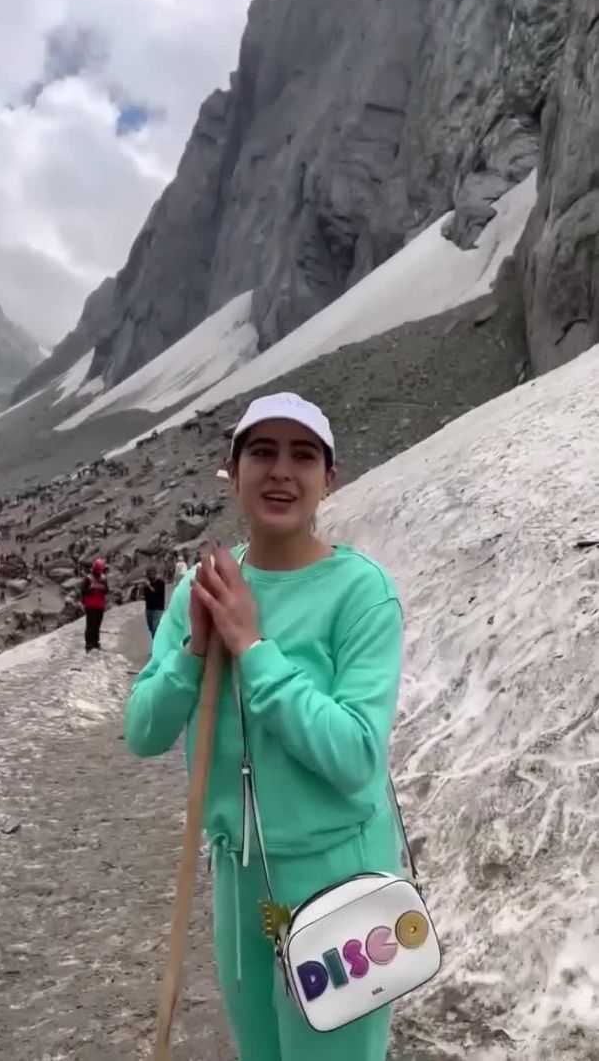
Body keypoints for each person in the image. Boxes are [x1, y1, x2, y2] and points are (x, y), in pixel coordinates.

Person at [124, 392, 404, 1061]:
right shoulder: (205, 586)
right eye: (263, 452)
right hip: (240, 875)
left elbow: (354, 754)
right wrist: (194, 653)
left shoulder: (361, 593)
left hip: (338, 877)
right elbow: (143, 732)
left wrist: (253, 650)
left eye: (304, 456)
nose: (282, 471)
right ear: (233, 469)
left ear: (329, 478)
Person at [81, 557, 108, 652]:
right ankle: (89, 644)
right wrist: (91, 589)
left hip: (100, 605)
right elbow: (83, 591)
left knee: (97, 625)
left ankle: (96, 642)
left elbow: (107, 590)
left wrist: (103, 588)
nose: (100, 572)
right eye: (99, 570)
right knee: (90, 625)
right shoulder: (88, 578)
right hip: (91, 605)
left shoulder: (103, 578)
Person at [143, 564, 166, 639]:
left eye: (151, 573)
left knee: (155, 627)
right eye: (148, 574)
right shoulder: (147, 583)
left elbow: (156, 593)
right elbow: (145, 596)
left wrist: (149, 586)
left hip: (158, 608)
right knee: (151, 628)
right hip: (149, 608)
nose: (150, 576)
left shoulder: (160, 582)